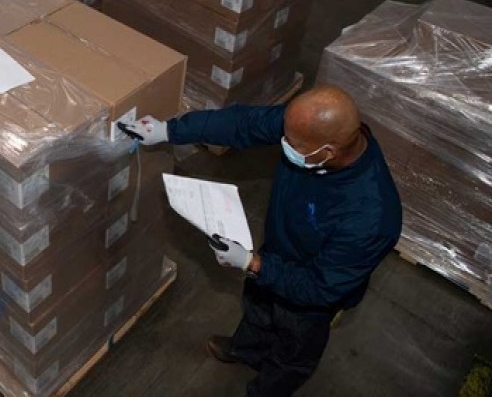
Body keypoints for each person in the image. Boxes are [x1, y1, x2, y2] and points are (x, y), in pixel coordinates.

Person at [123, 84, 402, 397]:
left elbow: (318, 288)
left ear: (327, 152)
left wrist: (252, 263)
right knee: (257, 307)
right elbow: (243, 123)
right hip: (278, 250)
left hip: (310, 296)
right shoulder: (305, 128)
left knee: (292, 351)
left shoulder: (371, 217)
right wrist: (170, 130)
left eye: (292, 144)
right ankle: (248, 350)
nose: (282, 143)